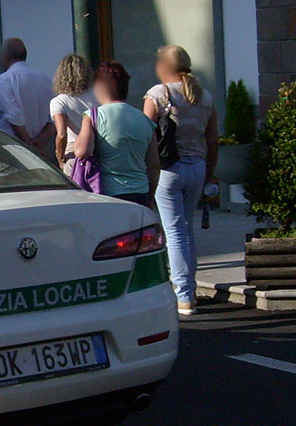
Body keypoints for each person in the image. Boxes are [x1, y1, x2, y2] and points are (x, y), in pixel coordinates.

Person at [144, 44, 219, 316]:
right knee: (186, 229)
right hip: (197, 166)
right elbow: (212, 140)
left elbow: (145, 132)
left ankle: (183, 294)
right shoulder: (205, 96)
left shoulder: (158, 94)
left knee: (173, 232)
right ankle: (189, 289)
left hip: (168, 168)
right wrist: (210, 173)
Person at [74, 60, 159, 209]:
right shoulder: (145, 120)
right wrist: (150, 196)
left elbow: (82, 152)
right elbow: (153, 166)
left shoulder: (94, 116)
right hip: (140, 193)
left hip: (108, 194)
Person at [0, 37, 55, 156]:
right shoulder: (46, 79)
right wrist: (38, 142)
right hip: (43, 148)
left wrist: (29, 145)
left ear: (5, 56)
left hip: (13, 148)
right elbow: (53, 119)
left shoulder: (4, 79)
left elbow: (14, 116)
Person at [49, 54, 97, 175]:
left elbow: (61, 135)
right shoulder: (98, 96)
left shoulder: (59, 101)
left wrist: (60, 159)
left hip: (74, 153)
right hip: (99, 151)